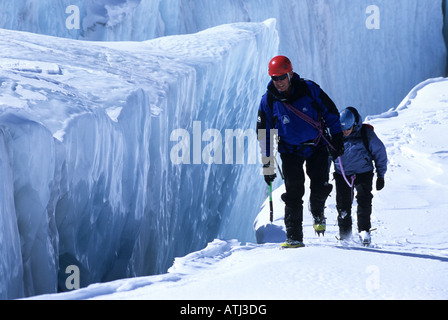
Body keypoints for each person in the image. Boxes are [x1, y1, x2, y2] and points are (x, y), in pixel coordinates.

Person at [257, 55, 344, 248]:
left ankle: (318, 212)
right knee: (294, 192)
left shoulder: (309, 89)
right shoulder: (268, 101)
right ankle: (294, 237)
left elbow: (330, 112)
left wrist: (337, 138)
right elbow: (264, 134)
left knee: (320, 187)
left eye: (281, 77)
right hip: (290, 150)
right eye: (275, 78)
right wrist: (268, 164)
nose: (278, 82)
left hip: (317, 145)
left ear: (289, 74)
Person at [333, 107, 387, 246]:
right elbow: (327, 155)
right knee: (342, 205)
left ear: (354, 125)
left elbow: (379, 153)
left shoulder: (365, 134)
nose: (345, 132)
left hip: (363, 173)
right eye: (342, 129)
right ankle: (345, 235)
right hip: (342, 174)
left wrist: (381, 175)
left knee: (364, 199)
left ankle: (364, 231)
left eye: (348, 129)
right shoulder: (335, 136)